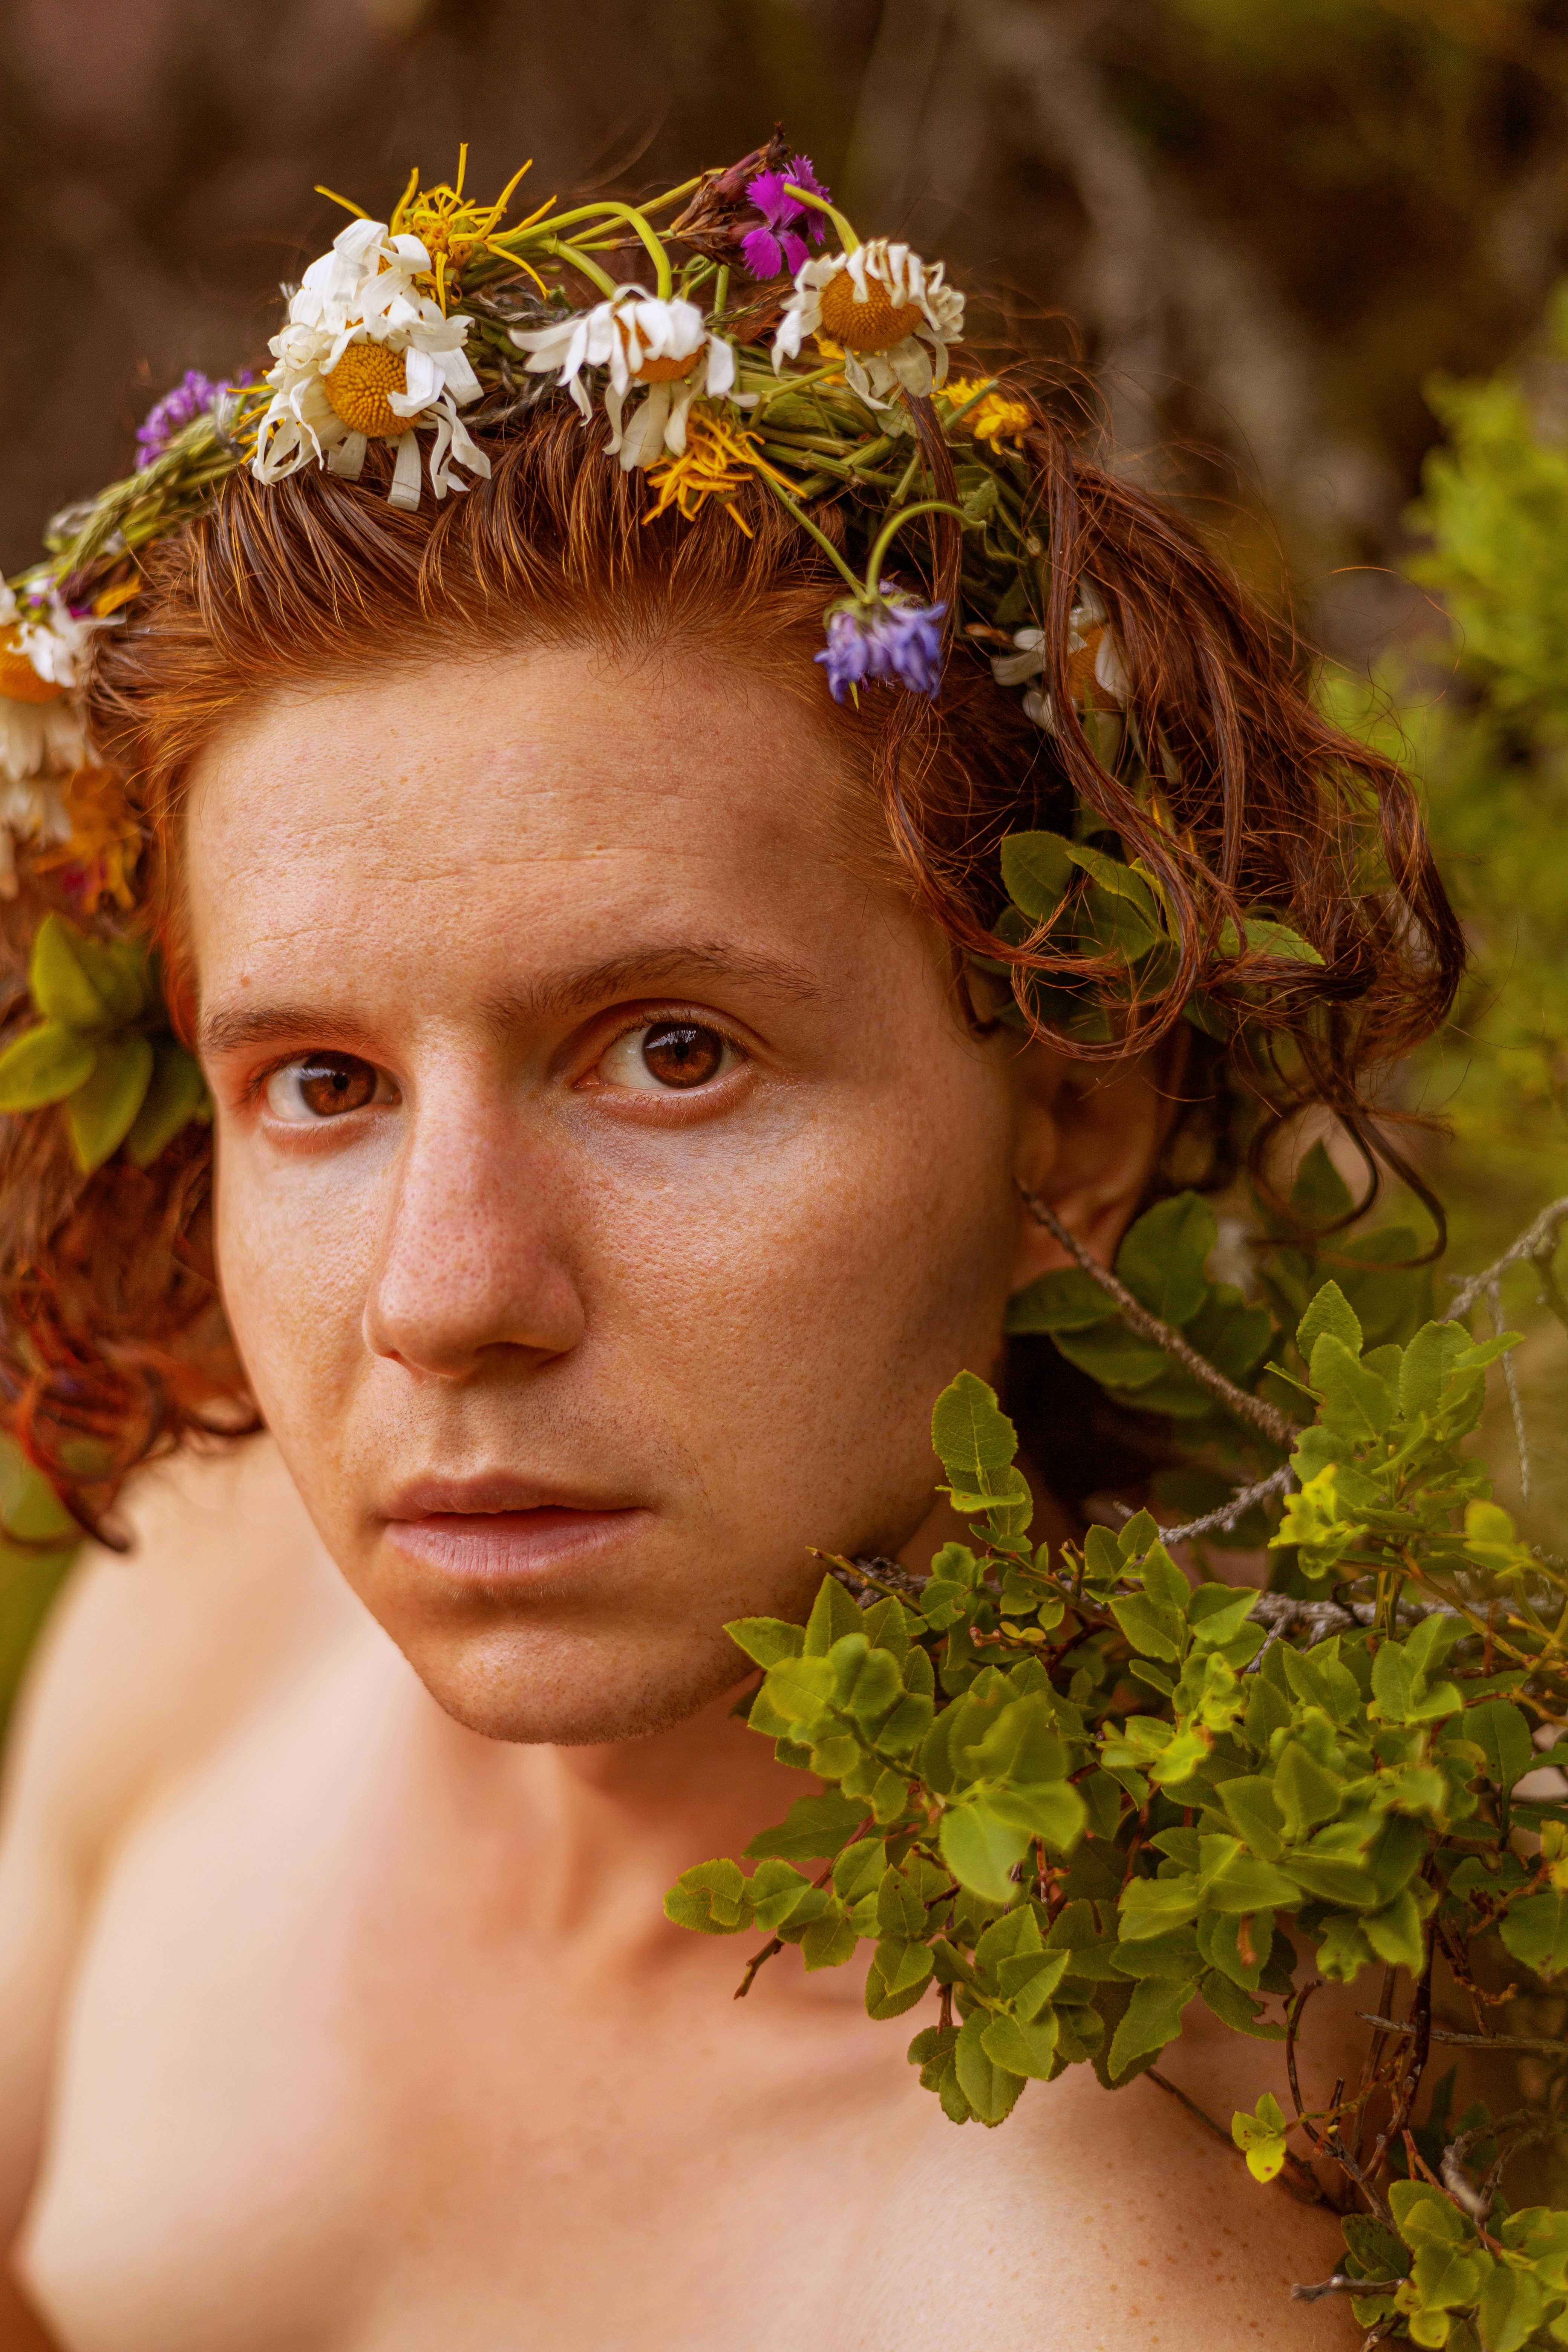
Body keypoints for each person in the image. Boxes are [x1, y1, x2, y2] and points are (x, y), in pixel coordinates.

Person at [0, 139, 1459, 2350]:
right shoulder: (214, 1615)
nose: (445, 1296)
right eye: (322, 1083)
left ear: (1066, 1118)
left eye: (669, 1050)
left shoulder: (1089, 2267)